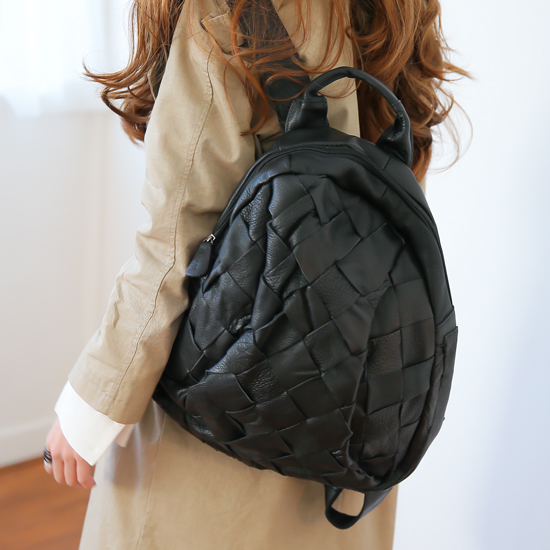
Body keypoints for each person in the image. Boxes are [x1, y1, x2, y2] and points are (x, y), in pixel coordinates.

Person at [43, 0, 470, 548]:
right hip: (354, 421)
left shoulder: (227, 10)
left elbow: (174, 242)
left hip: (229, 410)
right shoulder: (400, 10)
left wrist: (93, 406)